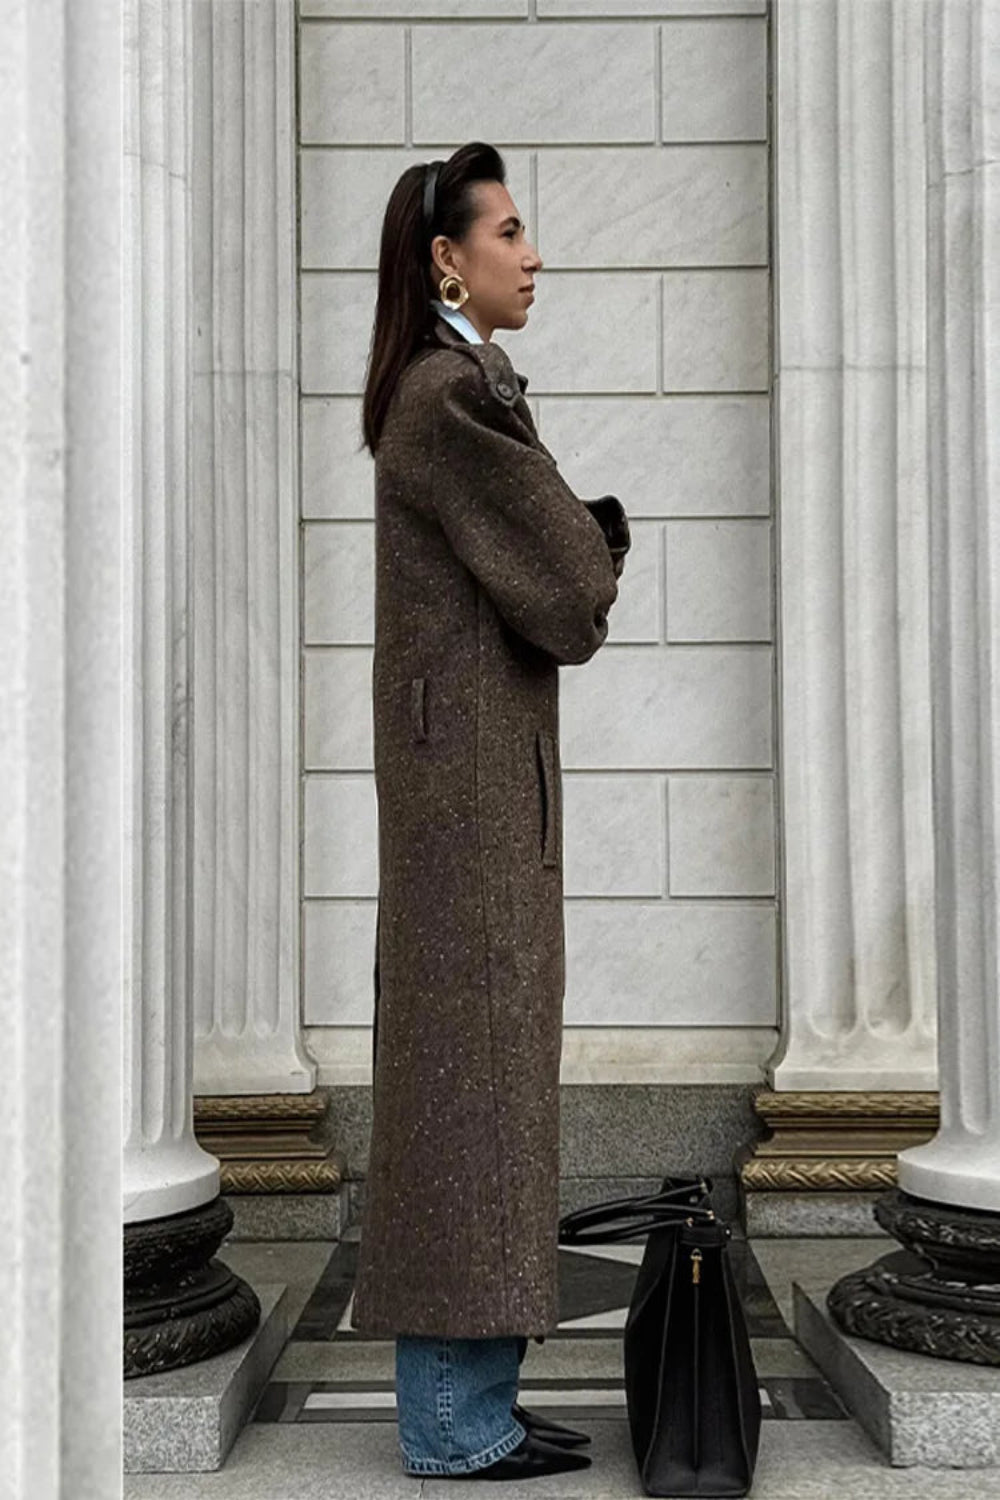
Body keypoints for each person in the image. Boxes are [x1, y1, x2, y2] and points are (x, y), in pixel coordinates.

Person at [350, 141, 630, 1481]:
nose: (534, 251)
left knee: (487, 1085)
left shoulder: (463, 387)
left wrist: (580, 535)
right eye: (508, 230)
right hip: (466, 805)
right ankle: (454, 1425)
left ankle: (481, 1404)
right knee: (467, 1094)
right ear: (446, 258)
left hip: (473, 796)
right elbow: (568, 588)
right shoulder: (449, 396)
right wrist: (602, 535)